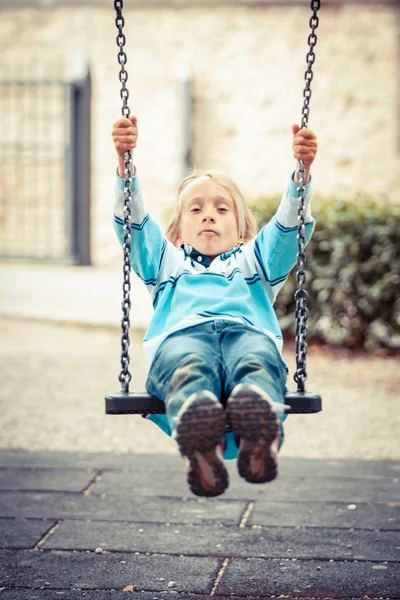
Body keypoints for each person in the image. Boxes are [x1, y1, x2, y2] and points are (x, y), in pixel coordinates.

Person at [112, 115, 318, 497]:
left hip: (246, 335)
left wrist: (301, 176)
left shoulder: (257, 260)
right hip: (183, 337)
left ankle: (259, 435)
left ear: (242, 229)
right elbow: (134, 224)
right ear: (176, 231)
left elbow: (289, 231)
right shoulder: (165, 262)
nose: (209, 214)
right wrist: (126, 166)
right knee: (187, 364)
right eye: (195, 209)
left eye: (222, 209)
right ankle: (199, 434)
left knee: (257, 360)